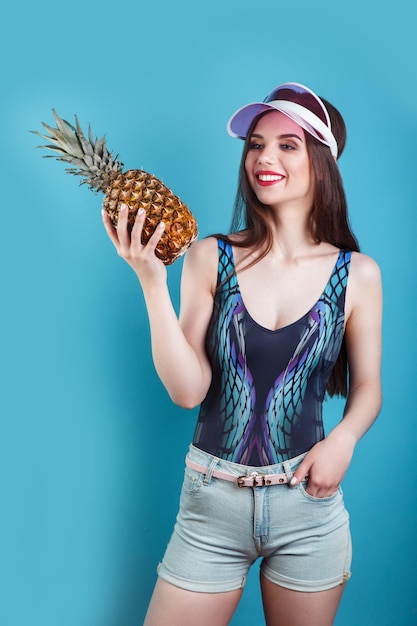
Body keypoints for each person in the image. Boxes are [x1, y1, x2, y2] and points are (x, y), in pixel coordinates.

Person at [102, 82, 382, 626]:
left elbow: (369, 386)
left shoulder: (358, 275)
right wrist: (151, 283)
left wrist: (343, 441)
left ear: (321, 162)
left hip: (309, 506)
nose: (264, 158)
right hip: (211, 503)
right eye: (255, 144)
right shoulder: (212, 257)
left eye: (287, 145)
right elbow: (187, 392)